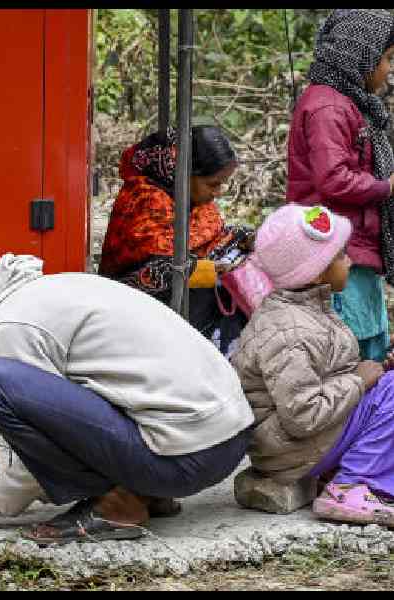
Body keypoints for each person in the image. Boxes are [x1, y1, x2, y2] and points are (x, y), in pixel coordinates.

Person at [0, 254, 254, 544]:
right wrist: (8, 484)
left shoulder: (9, 326)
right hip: (226, 442)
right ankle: (142, 491)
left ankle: (119, 505)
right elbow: (70, 418)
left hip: (186, 457)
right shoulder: (39, 294)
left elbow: (50, 430)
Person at [232, 204, 394, 527]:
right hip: (291, 448)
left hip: (298, 442)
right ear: (317, 271)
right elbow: (303, 414)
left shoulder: (308, 311)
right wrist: (359, 382)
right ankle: (352, 485)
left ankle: (350, 471)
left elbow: (324, 376)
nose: (350, 261)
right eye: (341, 255)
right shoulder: (289, 331)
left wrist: (372, 372)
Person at [287, 9, 394, 362]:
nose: (389, 70)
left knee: (370, 338)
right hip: (334, 248)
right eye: (387, 59)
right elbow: (333, 178)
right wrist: (386, 187)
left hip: (355, 245)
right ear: (362, 56)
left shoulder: (348, 103)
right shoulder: (327, 107)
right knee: (350, 345)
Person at [99, 126, 253, 355]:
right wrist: (209, 271)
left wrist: (243, 238)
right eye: (213, 184)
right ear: (184, 173)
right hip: (137, 318)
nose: (218, 192)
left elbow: (212, 236)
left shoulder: (190, 198)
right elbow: (149, 274)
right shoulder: (145, 202)